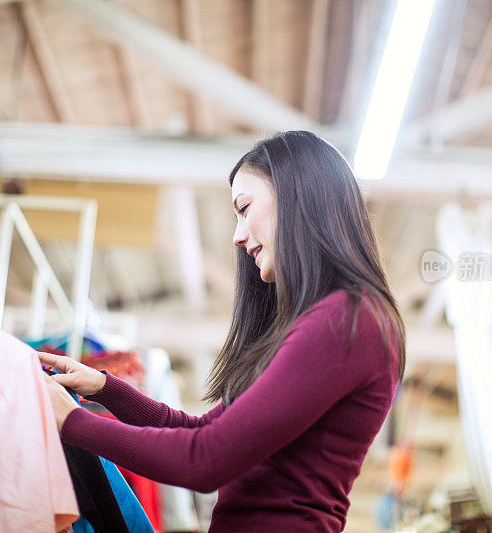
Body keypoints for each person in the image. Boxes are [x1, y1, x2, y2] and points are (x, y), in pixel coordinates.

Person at [41, 130, 406, 533]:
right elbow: (202, 432)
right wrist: (103, 386)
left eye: (244, 208)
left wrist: (72, 421)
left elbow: (206, 460)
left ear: (298, 196)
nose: (237, 235)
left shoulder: (347, 318)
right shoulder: (332, 320)